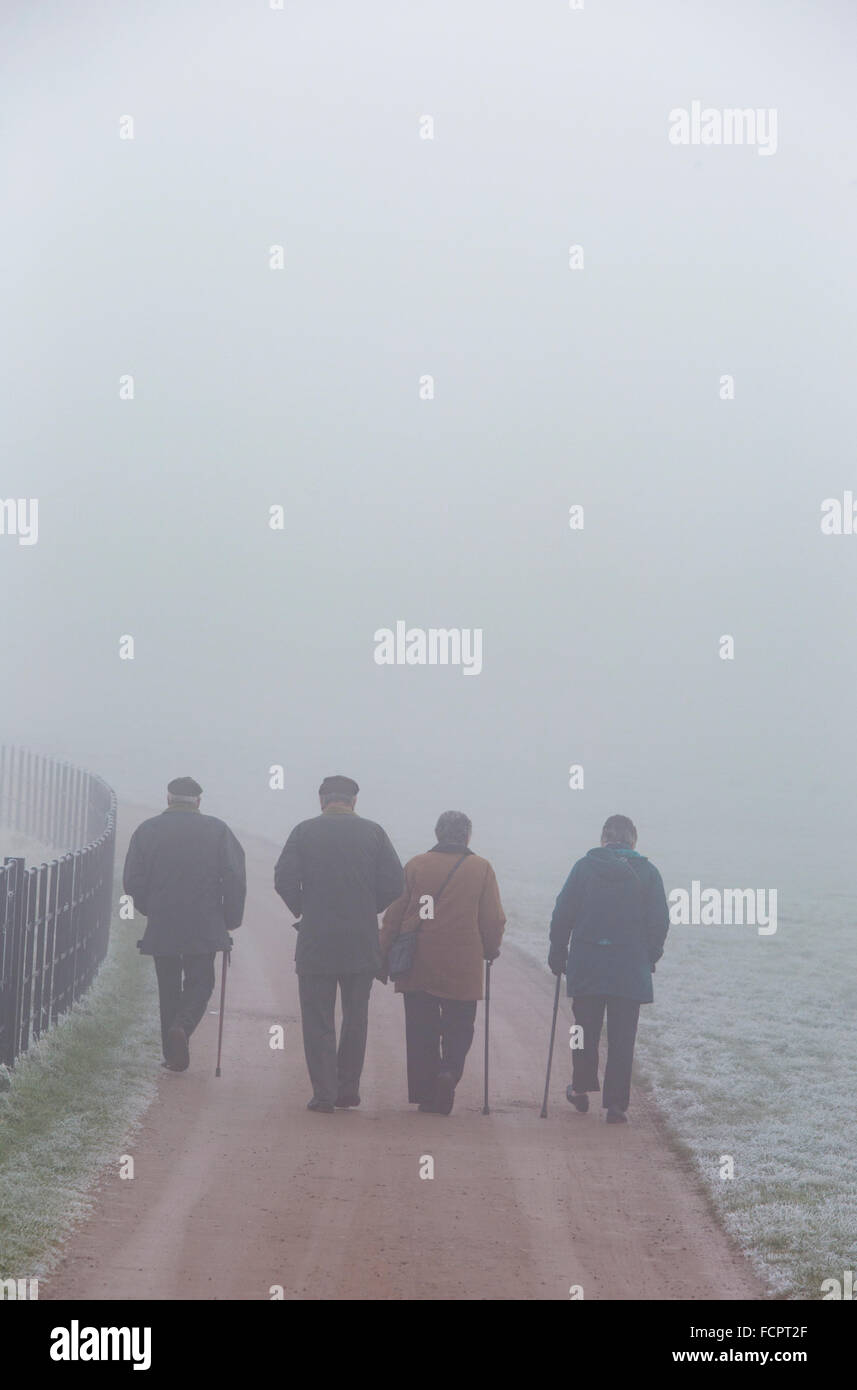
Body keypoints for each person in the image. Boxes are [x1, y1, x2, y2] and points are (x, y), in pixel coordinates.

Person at [274, 775, 404, 1113]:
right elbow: (395, 882)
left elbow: (283, 878)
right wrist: (368, 907)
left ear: (322, 800)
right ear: (354, 801)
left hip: (316, 938)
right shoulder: (374, 833)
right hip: (361, 940)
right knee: (355, 1016)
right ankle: (348, 1088)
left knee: (318, 1018)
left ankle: (324, 1093)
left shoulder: (303, 832)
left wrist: (304, 907)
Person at [379, 810, 505, 1116]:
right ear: (467, 836)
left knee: (421, 1028)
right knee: (459, 1025)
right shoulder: (482, 868)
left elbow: (395, 914)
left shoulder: (416, 865)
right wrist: (490, 950)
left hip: (419, 960)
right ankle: (449, 1071)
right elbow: (492, 918)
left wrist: (382, 954)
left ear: (437, 834)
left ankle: (426, 1094)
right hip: (463, 963)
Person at [548, 814, 669, 1123]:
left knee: (583, 1032)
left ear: (604, 839)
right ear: (633, 841)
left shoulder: (584, 868)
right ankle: (616, 1105)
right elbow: (659, 922)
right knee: (622, 1038)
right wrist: (649, 956)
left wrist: (557, 952)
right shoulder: (648, 873)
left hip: (588, 963)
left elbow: (563, 913)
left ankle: (579, 1088)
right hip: (629, 968)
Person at [123, 776, 246, 1072]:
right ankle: (183, 1026)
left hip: (163, 920)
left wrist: (149, 908)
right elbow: (235, 877)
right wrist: (230, 919)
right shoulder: (218, 830)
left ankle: (173, 1054)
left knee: (168, 986)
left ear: (168, 799)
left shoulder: (147, 830)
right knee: (201, 981)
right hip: (204, 923)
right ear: (199, 802)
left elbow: (132, 880)